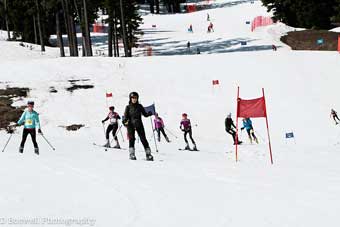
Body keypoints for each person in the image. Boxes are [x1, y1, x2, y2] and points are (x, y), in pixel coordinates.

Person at [123, 92, 153, 161]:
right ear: (130, 98)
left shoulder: (140, 106)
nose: (134, 99)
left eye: (135, 98)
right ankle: (132, 154)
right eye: (132, 98)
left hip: (139, 124)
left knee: (143, 139)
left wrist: (149, 114)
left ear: (137, 98)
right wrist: (125, 121)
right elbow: (125, 116)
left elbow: (145, 114)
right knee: (132, 139)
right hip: (130, 125)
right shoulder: (128, 107)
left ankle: (148, 154)